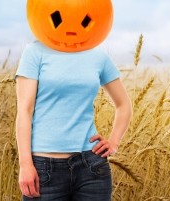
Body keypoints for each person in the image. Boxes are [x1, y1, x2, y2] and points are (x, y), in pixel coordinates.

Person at [15, 40, 132, 200]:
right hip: (44, 169)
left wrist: (114, 141)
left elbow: (124, 104)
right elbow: (24, 110)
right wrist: (25, 164)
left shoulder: (98, 56)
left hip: (91, 166)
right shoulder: (35, 51)